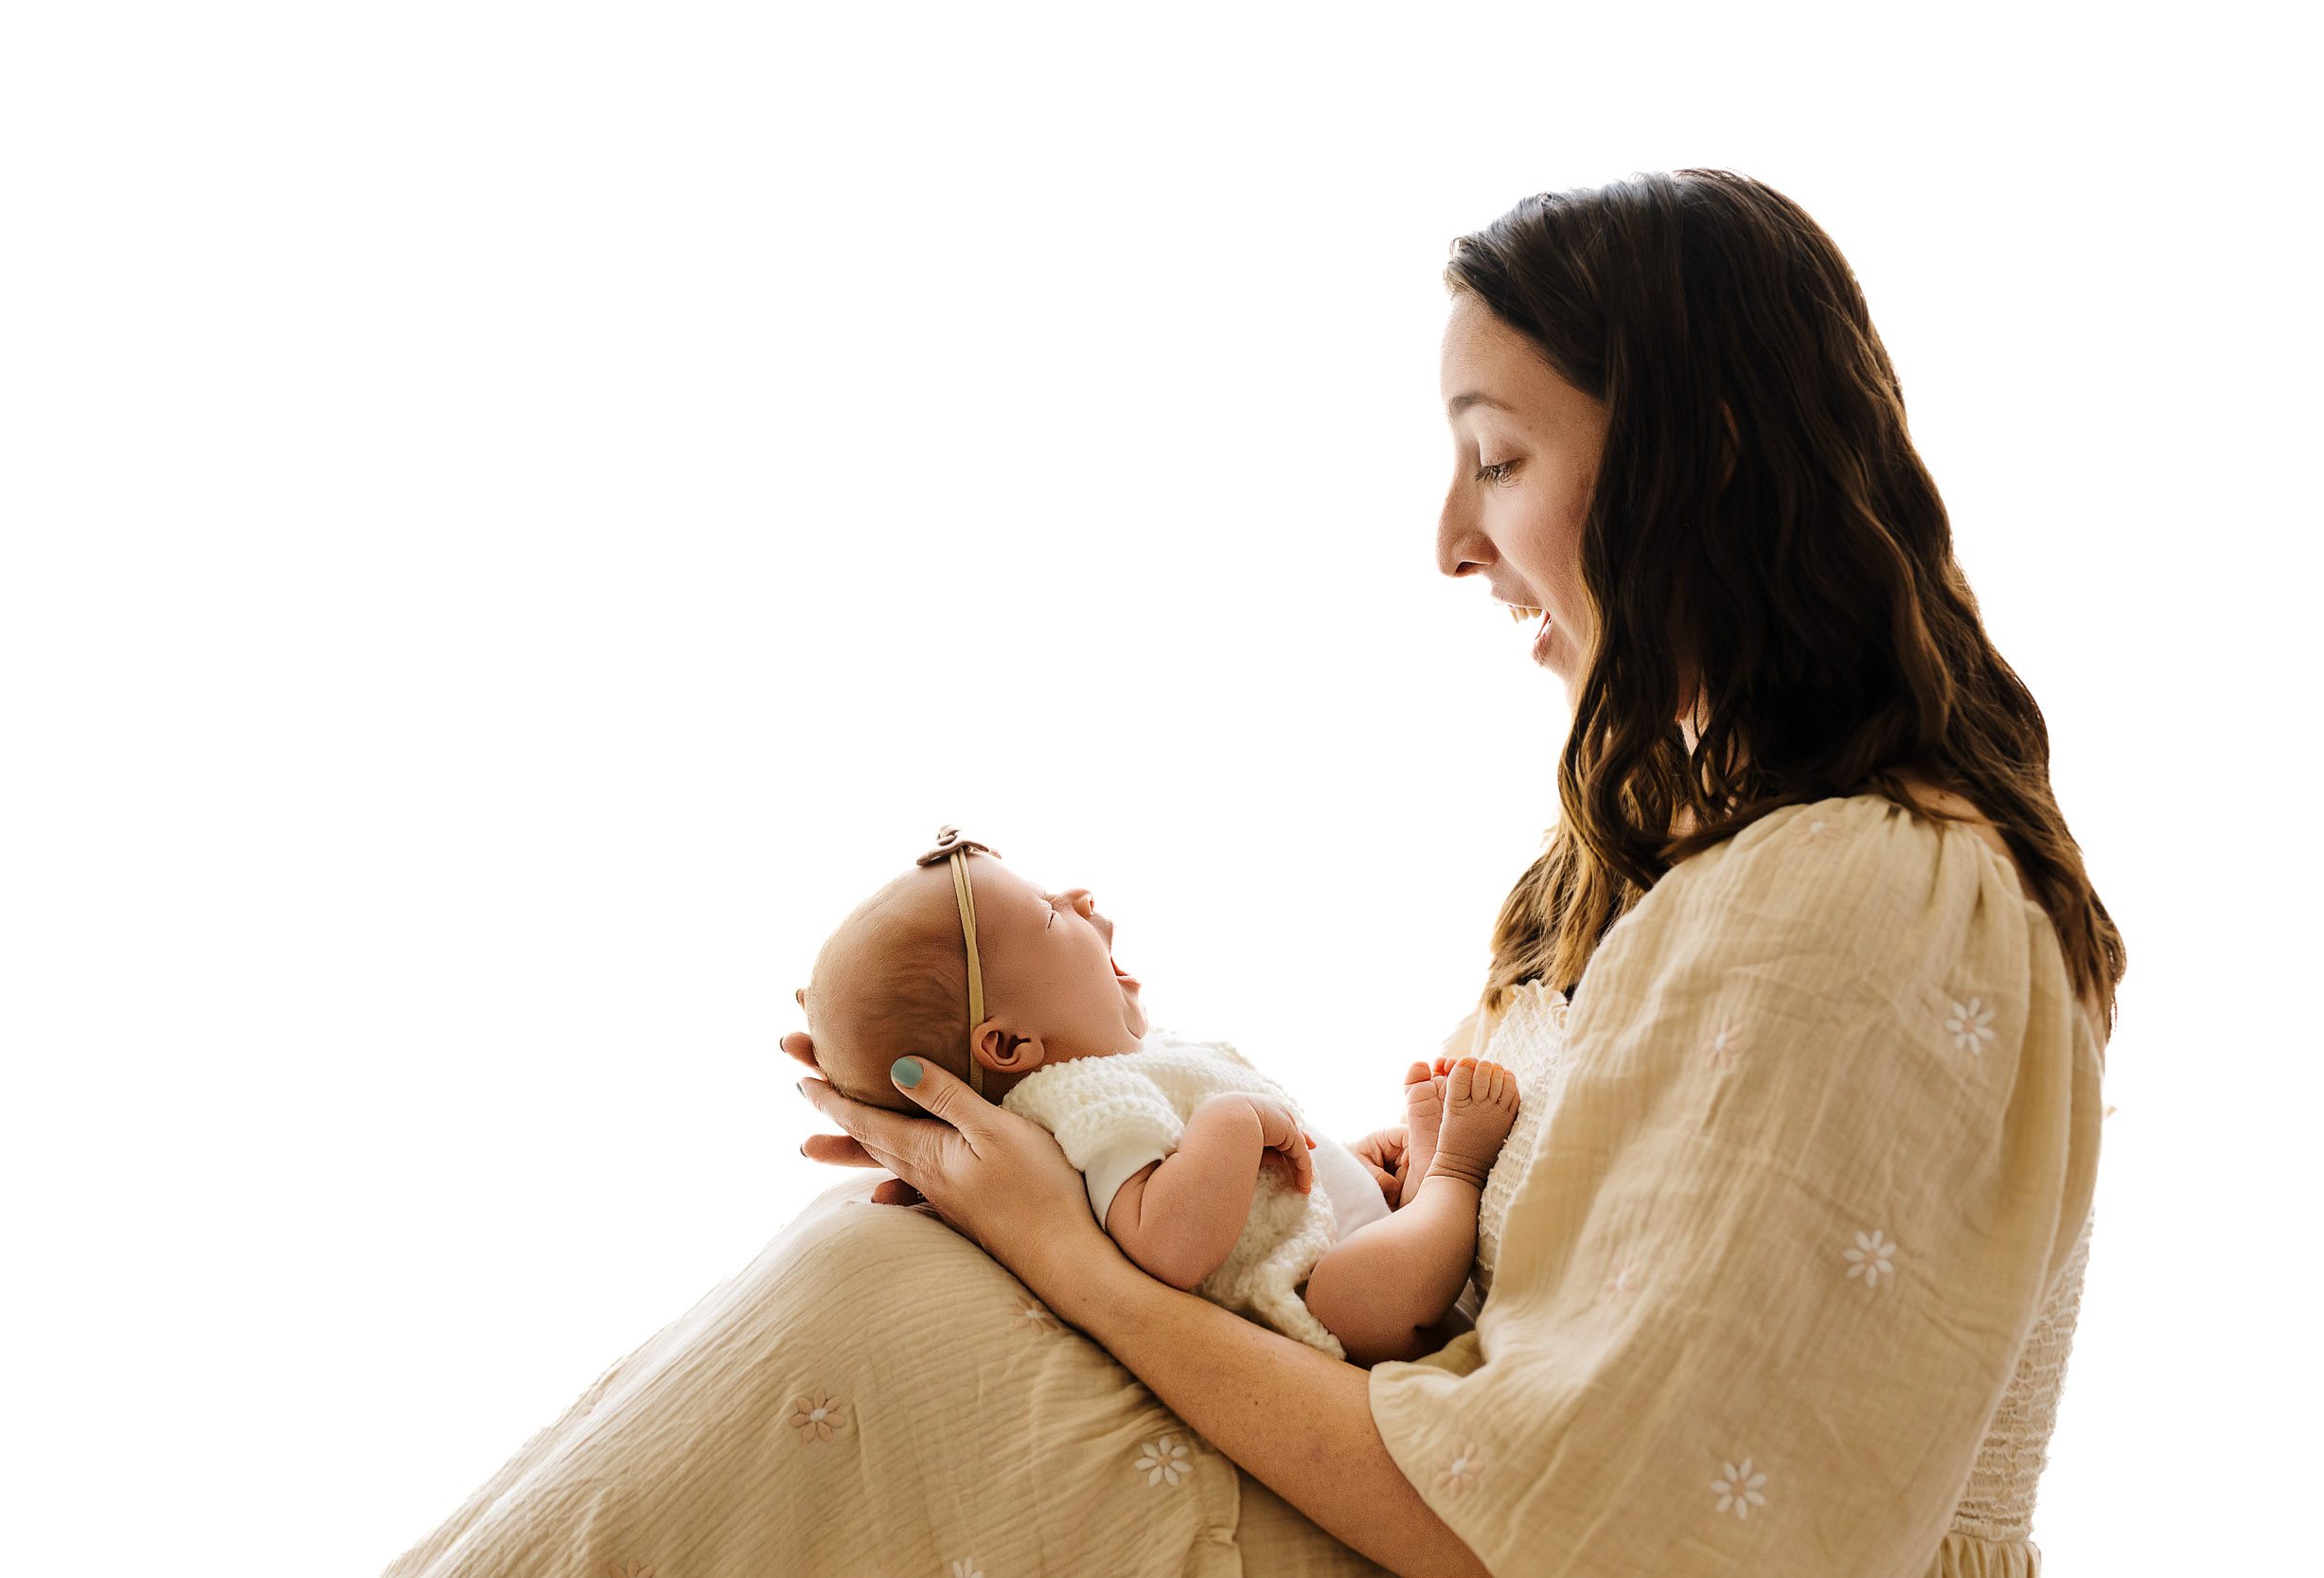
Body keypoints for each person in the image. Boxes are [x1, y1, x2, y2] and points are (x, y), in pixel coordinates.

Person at [381, 168, 2121, 1578]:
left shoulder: (1868, 896)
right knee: (878, 1274)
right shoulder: (1688, 872)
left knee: (871, 1303)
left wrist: (1062, 1249)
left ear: (1706, 456)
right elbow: (1495, 1278)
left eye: (1499, 459)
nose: (1451, 540)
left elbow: (1572, 1527)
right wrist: (1066, 1137)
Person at [795, 824, 1523, 1366]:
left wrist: (1342, 1163)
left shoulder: (1137, 1066)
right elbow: (1170, 1243)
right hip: (1320, 1312)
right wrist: (1234, 1122)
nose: (1079, 896)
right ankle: (1454, 1173)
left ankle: (1414, 1193)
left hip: (1338, 1238)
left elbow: (1254, 1195)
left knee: (1374, 1252)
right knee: (1356, 1297)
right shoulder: (1080, 1109)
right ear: (1011, 1046)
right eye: (1050, 914)